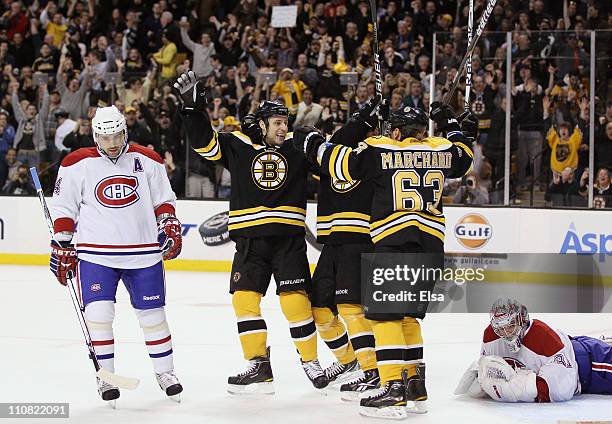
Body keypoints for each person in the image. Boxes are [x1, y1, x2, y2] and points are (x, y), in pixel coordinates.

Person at [293, 102, 475, 418]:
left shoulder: (380, 149)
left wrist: (309, 142)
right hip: (432, 250)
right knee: (408, 318)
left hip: (395, 246)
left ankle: (393, 389)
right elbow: (464, 155)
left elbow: (336, 162)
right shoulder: (440, 148)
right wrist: (451, 122)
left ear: (396, 131)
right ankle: (415, 384)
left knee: (384, 319)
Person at [175, 70, 329, 393]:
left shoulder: (298, 146)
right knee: (244, 300)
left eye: (285, 121)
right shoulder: (238, 145)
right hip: (249, 243)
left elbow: (331, 167)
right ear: (261, 125)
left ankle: (310, 360)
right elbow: (205, 145)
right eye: (276, 122)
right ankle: (258, 364)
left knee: (295, 303)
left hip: (288, 241)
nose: (283, 127)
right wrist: (193, 112)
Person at [48, 106, 183, 403]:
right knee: (98, 314)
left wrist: (169, 223)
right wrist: (62, 242)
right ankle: (106, 378)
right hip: (96, 255)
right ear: (95, 135)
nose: (112, 143)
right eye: (105, 137)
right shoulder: (76, 163)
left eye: (117, 135)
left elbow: (164, 200)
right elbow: (63, 207)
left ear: (125, 131)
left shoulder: (147, 159)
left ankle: (165, 372)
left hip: (144, 252)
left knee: (153, 316)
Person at [305, 99, 381, 401]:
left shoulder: (375, 154)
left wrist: (362, 123)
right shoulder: (336, 152)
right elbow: (319, 146)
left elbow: (324, 144)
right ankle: (348, 359)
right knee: (319, 306)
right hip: (335, 241)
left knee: (351, 307)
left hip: (361, 240)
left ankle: (372, 369)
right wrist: (360, 121)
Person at [455, 299, 612, 402]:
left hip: (591, 364)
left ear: (523, 320)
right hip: (570, 346)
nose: (505, 333)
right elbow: (490, 369)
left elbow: (562, 388)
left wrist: (512, 389)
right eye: (500, 328)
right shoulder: (490, 335)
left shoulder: (542, 336)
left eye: (510, 325)